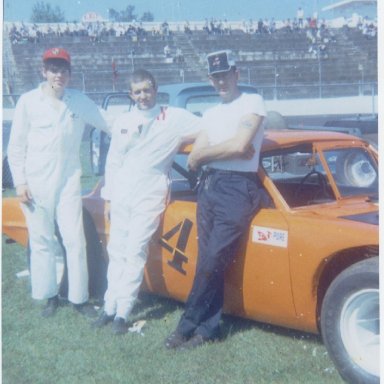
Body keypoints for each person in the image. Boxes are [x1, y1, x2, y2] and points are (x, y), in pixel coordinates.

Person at [165, 50, 268, 350]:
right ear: (211, 80)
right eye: (216, 76)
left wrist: (209, 152)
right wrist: (215, 152)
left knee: (212, 259)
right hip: (210, 187)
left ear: (237, 74)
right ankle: (208, 329)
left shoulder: (252, 102)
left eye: (226, 74)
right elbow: (198, 156)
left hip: (238, 188)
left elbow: (236, 146)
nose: (222, 81)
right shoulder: (210, 114)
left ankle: (185, 326)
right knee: (209, 260)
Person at [93, 69, 201, 335]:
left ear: (155, 89)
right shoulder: (123, 121)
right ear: (131, 94)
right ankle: (108, 307)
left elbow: (207, 127)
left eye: (147, 90)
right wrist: (108, 198)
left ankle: (122, 312)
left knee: (136, 249)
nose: (143, 96)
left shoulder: (174, 118)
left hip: (151, 189)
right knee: (117, 249)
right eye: (137, 91)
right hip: (122, 189)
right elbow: (114, 162)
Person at [8, 47, 109, 318]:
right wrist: (20, 182)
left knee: (75, 239)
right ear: (44, 71)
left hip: (68, 180)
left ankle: (79, 298)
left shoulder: (78, 101)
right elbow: (15, 148)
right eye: (53, 70)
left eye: (63, 70)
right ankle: (50, 296)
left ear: (70, 73)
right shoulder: (28, 102)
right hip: (36, 181)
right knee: (42, 240)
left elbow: (107, 122)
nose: (58, 75)